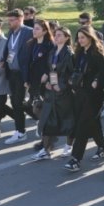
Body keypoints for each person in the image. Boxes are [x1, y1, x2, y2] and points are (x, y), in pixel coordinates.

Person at [64, 27, 104, 171]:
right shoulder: (79, 53)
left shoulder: (97, 54)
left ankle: (76, 159)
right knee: (93, 122)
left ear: (90, 37)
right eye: (78, 37)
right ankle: (102, 147)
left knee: (82, 125)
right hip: (80, 92)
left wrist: (97, 80)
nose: (80, 40)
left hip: (93, 95)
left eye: (83, 37)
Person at [34, 27, 75, 160]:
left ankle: (69, 146)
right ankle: (46, 150)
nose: (56, 37)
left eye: (59, 35)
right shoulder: (52, 51)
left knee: (67, 121)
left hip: (64, 94)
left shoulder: (69, 54)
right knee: (47, 120)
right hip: (51, 92)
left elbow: (72, 74)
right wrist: (49, 82)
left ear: (67, 38)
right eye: (55, 35)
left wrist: (61, 86)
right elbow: (52, 70)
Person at [3, 9, 34, 145]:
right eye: (9, 20)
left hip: (23, 73)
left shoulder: (28, 31)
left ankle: (20, 132)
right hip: (12, 72)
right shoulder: (11, 32)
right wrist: (3, 61)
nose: (10, 23)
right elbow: (8, 50)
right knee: (15, 101)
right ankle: (36, 119)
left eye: (12, 20)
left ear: (20, 18)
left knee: (18, 102)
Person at [28, 20, 55, 151]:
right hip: (34, 83)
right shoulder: (32, 44)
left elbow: (53, 64)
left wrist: (47, 74)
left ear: (45, 31)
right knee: (36, 110)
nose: (34, 31)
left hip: (46, 83)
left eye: (38, 29)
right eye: (34, 28)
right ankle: (47, 136)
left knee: (45, 112)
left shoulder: (49, 45)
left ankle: (47, 141)